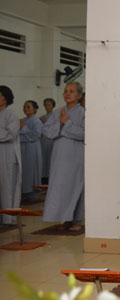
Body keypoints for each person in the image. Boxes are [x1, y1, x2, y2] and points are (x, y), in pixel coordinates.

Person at [42, 82, 85, 231]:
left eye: (72, 91)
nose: (67, 94)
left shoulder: (83, 113)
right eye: (66, 91)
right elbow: (46, 131)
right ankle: (66, 218)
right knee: (60, 186)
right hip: (59, 156)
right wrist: (60, 124)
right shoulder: (57, 112)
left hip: (75, 155)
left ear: (79, 95)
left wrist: (67, 124)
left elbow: (85, 133)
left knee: (76, 185)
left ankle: (77, 220)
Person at [0, 86, 21, 225]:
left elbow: (11, 134)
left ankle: (8, 217)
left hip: (8, 153)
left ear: (6, 98)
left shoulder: (11, 114)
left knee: (7, 186)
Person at [20, 100, 43, 201]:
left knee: (32, 169)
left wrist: (24, 128)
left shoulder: (37, 121)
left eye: (28, 107)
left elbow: (36, 135)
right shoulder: (22, 120)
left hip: (32, 148)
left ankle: (33, 192)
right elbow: (17, 135)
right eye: (24, 107)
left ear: (35, 109)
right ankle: (24, 191)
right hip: (22, 148)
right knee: (24, 170)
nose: (25, 109)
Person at [40, 98, 56, 184]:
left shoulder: (55, 116)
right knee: (43, 160)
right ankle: (43, 177)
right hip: (43, 141)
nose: (47, 106)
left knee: (50, 159)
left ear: (53, 106)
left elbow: (55, 128)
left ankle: (50, 177)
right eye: (45, 105)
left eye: (49, 105)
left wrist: (46, 122)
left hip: (51, 141)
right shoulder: (42, 117)